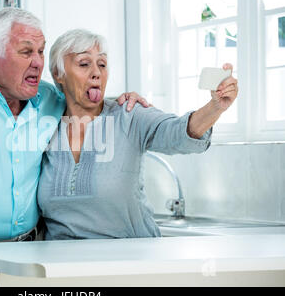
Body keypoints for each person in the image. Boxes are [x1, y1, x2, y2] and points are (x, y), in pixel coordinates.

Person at [0, 8, 149, 266]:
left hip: (32, 250)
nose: (38, 62)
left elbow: (85, 99)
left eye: (41, 51)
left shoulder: (49, 98)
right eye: (26, 52)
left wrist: (122, 101)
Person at [37, 29, 238, 240]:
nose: (96, 72)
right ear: (58, 74)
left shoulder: (130, 115)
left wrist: (215, 107)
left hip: (128, 261)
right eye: (84, 64)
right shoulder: (45, 126)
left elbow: (177, 132)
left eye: (102, 65)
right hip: (61, 266)